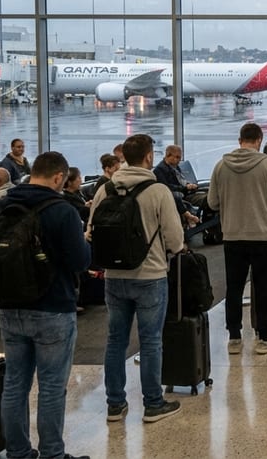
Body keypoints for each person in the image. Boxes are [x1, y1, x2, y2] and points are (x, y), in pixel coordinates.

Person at [0, 151, 91, 458]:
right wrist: (85, 241)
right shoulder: (62, 211)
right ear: (58, 177)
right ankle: (52, 453)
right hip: (53, 307)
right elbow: (80, 262)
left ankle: (17, 452)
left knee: (14, 384)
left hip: (8, 306)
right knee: (52, 386)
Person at [91, 134, 185, 424]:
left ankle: (115, 404)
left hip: (114, 276)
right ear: (148, 157)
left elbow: (91, 230)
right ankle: (153, 403)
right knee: (151, 341)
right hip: (150, 275)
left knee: (115, 340)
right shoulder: (157, 191)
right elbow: (175, 239)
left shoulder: (105, 189)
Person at [208, 123, 267, 356]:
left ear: (239, 140)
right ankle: (264, 337)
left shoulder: (221, 166)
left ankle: (234, 337)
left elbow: (212, 202)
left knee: (234, 287)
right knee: (262, 286)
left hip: (233, 236)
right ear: (259, 140)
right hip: (263, 235)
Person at [153, 144, 208, 210]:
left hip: (186, 192)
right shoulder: (160, 170)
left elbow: (181, 180)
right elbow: (166, 188)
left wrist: (188, 185)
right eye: (177, 157)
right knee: (208, 200)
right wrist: (185, 187)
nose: (179, 160)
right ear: (168, 156)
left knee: (210, 194)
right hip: (181, 197)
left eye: (179, 157)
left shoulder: (174, 167)